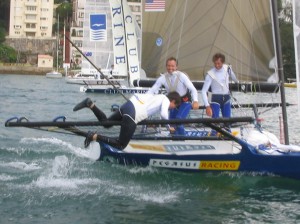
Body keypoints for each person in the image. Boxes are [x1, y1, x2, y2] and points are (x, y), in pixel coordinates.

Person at [73, 92, 181, 150]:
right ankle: (94, 136)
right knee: (121, 145)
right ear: (173, 101)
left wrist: (149, 121)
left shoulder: (157, 96)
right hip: (133, 114)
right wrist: (168, 127)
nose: (171, 108)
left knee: (106, 123)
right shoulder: (166, 100)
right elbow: (163, 114)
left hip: (129, 105)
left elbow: (146, 106)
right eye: (174, 106)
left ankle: (90, 104)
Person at [147, 57, 199, 135]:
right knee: (171, 123)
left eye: (172, 66)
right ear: (166, 66)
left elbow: (193, 89)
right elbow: (152, 90)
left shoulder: (182, 76)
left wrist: (195, 101)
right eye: (168, 66)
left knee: (178, 119)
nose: (170, 68)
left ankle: (183, 139)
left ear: (176, 67)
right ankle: (174, 139)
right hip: (173, 103)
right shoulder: (163, 78)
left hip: (185, 102)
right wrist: (144, 99)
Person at [201, 53, 239, 133]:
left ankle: (228, 136)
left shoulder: (228, 69)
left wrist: (237, 83)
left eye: (219, 63)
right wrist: (207, 106)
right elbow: (203, 91)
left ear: (223, 62)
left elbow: (234, 78)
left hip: (226, 98)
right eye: (215, 63)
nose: (217, 65)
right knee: (215, 122)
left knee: (227, 121)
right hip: (215, 98)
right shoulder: (210, 74)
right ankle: (214, 136)